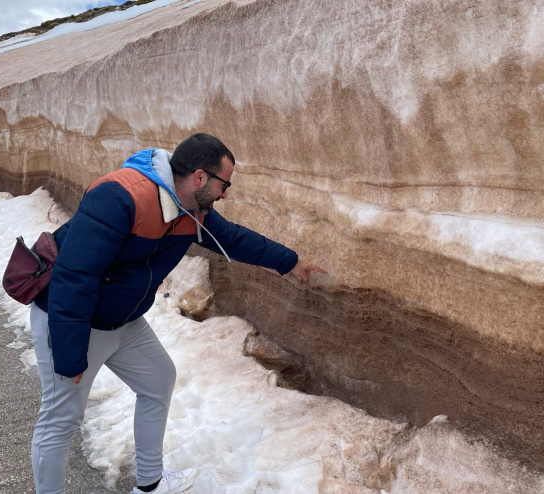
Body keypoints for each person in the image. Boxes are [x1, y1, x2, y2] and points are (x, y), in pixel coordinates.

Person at [29, 133, 326, 494]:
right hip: (74, 320)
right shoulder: (120, 196)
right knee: (60, 420)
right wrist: (70, 354)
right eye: (225, 184)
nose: (225, 194)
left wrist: (290, 262)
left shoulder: (190, 210)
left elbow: (234, 238)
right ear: (200, 178)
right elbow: (74, 276)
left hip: (121, 320)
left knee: (158, 381)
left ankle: (150, 485)